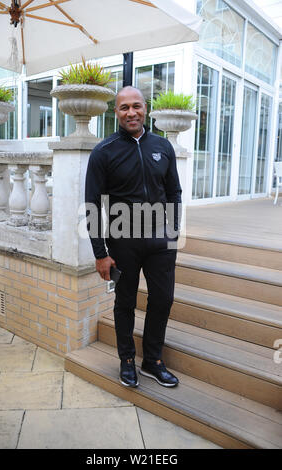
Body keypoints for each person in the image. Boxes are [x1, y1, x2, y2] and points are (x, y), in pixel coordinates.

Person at [85, 86, 181, 388]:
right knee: (125, 302)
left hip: (160, 240)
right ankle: (126, 360)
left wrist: (173, 230)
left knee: (163, 299)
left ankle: (152, 360)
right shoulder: (104, 151)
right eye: (124, 107)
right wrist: (100, 253)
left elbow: (173, 191)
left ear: (146, 109)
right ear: (116, 112)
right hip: (122, 240)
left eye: (136, 106)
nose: (131, 113)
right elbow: (92, 205)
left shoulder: (163, 147)